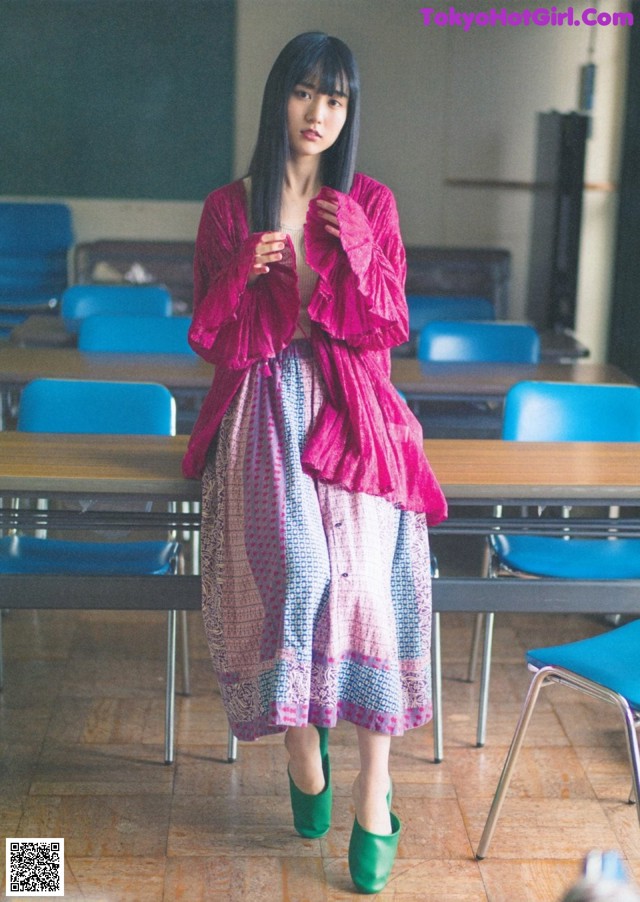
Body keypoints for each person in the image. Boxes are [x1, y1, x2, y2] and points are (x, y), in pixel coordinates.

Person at [183, 31, 447, 894]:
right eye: (305, 94)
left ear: (348, 111)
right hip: (265, 400)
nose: (318, 114)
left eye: (335, 100)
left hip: (350, 401)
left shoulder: (370, 199)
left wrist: (364, 247)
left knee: (368, 585)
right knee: (298, 571)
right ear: (280, 99)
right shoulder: (230, 206)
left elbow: (389, 323)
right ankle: (302, 740)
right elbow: (210, 335)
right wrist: (239, 271)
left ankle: (377, 785)